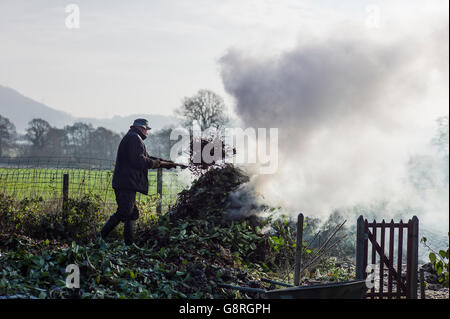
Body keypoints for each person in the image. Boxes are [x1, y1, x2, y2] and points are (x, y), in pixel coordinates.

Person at [99, 118, 175, 245]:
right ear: (141, 128)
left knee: (132, 214)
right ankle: (100, 237)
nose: (147, 132)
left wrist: (164, 163)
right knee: (124, 212)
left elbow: (146, 157)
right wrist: (157, 164)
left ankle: (129, 244)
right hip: (126, 183)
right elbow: (139, 161)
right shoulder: (134, 139)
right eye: (147, 129)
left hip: (126, 183)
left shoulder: (133, 137)